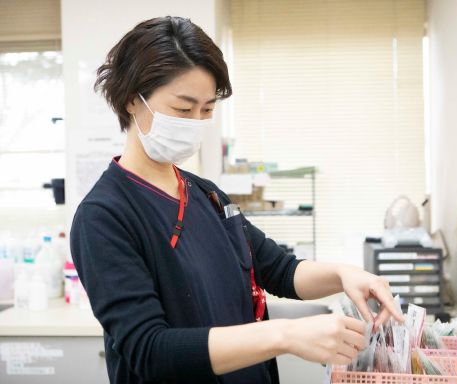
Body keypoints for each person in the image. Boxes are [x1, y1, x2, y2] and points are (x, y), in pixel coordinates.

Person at [70, 16, 404, 384]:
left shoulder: (206, 195)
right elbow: (149, 350)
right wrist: (286, 335)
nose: (196, 121)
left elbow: (280, 270)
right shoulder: (104, 216)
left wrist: (344, 274)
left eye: (208, 109)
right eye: (183, 109)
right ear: (133, 99)